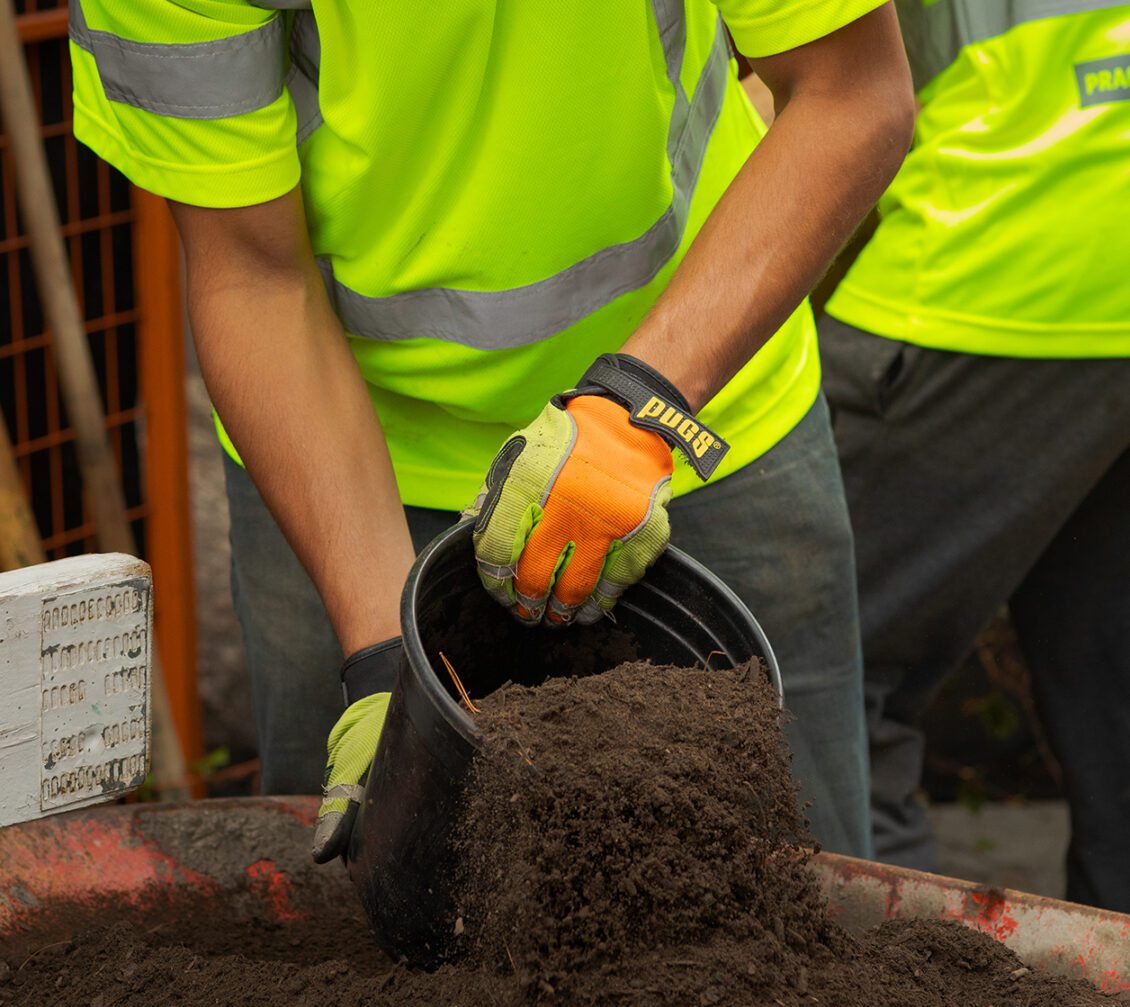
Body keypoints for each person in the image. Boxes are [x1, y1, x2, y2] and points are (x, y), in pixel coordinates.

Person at [69, 1, 914, 860]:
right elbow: (251, 275)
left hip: (703, 399)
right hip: (348, 465)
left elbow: (853, 95)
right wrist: (380, 657)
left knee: (797, 905)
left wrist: (640, 406)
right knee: (364, 929)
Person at [821, 1, 1130, 908]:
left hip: (1008, 242)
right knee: (1116, 691)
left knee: (805, 670)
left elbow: (796, 76)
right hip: (1087, 235)